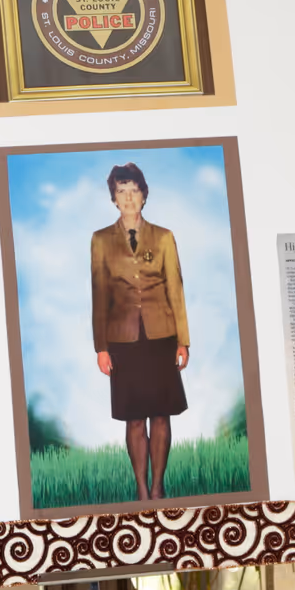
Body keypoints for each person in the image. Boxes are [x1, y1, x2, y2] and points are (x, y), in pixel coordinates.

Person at [90, 162, 190, 501]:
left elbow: (176, 289)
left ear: (144, 196)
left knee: (161, 414)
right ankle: (142, 488)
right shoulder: (101, 240)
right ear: (114, 199)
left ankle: (159, 485)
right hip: (123, 341)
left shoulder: (163, 237)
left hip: (161, 337)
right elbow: (99, 294)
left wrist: (183, 341)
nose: (129, 197)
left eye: (134, 190)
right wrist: (100, 347)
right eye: (122, 191)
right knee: (134, 419)